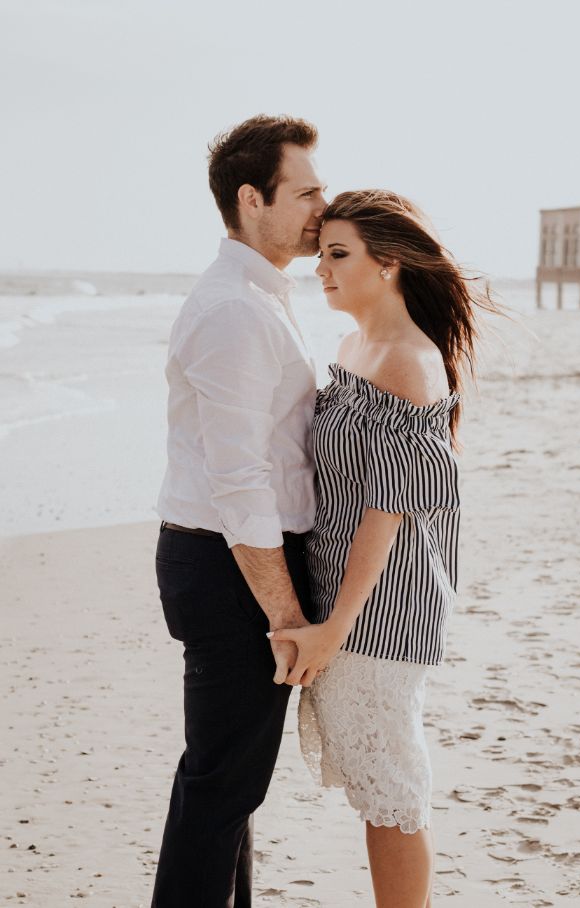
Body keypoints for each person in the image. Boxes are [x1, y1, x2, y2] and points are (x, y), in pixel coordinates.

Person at [270, 190, 500, 908]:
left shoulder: (407, 361)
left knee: (391, 789)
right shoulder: (351, 348)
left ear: (389, 265)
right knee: (378, 788)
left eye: (339, 255)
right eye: (321, 254)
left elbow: (386, 515)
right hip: (338, 595)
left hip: (377, 610)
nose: (321, 269)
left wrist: (334, 625)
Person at [151, 114, 326, 907]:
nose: (321, 207)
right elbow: (240, 482)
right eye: (306, 191)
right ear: (252, 199)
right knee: (221, 787)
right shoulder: (232, 311)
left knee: (231, 790)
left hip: (234, 563)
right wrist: (285, 613)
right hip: (231, 568)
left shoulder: (261, 295)